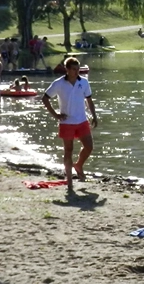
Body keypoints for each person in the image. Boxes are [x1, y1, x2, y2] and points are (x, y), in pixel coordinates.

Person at [42, 56, 98, 190]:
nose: (76, 71)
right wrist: (55, 114)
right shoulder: (59, 83)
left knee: (89, 147)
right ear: (67, 70)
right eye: (73, 69)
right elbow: (45, 98)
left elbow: (89, 100)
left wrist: (94, 116)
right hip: (66, 122)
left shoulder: (83, 82)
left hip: (82, 120)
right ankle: (69, 180)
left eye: (78, 69)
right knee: (68, 151)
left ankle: (78, 165)